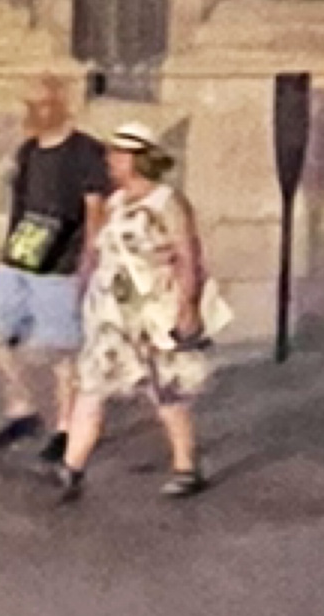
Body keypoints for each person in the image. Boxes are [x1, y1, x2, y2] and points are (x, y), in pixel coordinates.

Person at [44, 122, 216, 501]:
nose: (109, 161)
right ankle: (72, 468)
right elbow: (97, 250)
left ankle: (186, 466)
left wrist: (187, 306)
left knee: (165, 389)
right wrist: (83, 285)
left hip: (151, 309)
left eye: (117, 154)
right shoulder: (115, 202)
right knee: (92, 385)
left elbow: (188, 256)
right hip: (110, 312)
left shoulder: (168, 202)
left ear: (137, 158)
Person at [0, 70, 112, 453]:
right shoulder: (29, 152)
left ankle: (65, 428)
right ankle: (22, 409)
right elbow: (20, 206)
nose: (33, 113)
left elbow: (95, 209)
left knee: (61, 349)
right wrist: (9, 252)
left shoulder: (85, 151)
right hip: (21, 256)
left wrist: (89, 258)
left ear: (57, 106)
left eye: (40, 105)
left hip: (61, 263)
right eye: (30, 105)